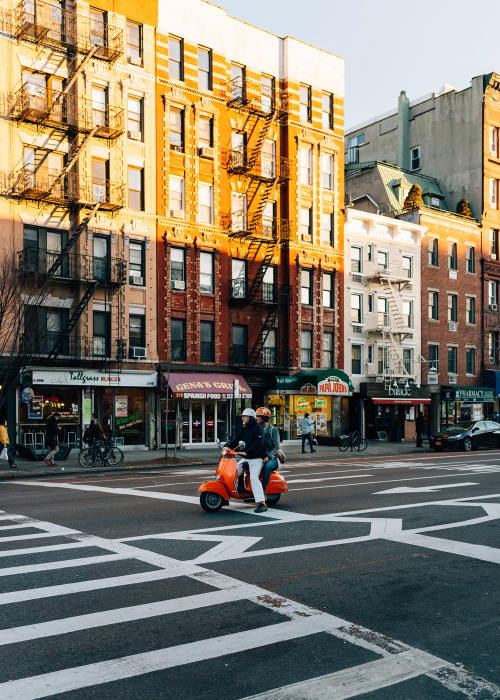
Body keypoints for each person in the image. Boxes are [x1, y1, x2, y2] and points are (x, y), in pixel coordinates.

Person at [226, 408, 268, 513]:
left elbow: (259, 443)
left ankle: (262, 503)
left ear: (250, 417)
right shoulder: (245, 428)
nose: (242, 418)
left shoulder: (258, 428)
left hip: (257, 458)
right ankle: (225, 495)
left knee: (254, 477)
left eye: (244, 416)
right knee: (232, 472)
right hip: (246, 457)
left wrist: (247, 452)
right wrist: (227, 447)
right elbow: (236, 440)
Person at [256, 407, 280, 498]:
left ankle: (262, 491)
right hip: (260, 456)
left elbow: (276, 447)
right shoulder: (257, 428)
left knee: (268, 466)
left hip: (272, 457)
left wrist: (268, 457)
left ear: (264, 418)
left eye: (258, 416)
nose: (256, 418)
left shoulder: (273, 430)